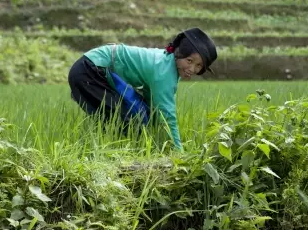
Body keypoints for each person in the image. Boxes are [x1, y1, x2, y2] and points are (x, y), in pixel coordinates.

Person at [68, 27, 217, 150]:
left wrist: (153, 122)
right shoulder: (164, 72)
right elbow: (166, 115)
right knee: (132, 118)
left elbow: (152, 102)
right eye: (189, 61)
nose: (192, 68)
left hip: (93, 68)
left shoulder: (168, 65)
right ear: (178, 54)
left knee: (140, 113)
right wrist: (179, 152)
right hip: (90, 70)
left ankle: (120, 150)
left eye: (198, 66)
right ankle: (123, 152)